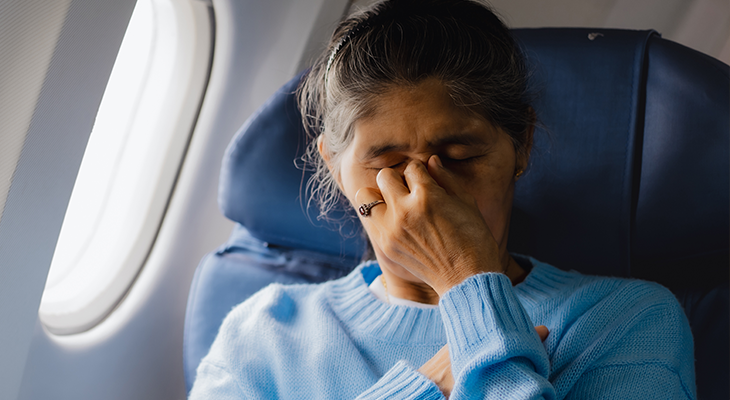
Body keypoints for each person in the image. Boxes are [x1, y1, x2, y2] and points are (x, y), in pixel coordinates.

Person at [188, 0, 696, 398]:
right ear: (335, 170)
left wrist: (468, 285)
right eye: (387, 165)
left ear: (521, 146)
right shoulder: (264, 333)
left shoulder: (627, 319)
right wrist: (425, 388)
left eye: (457, 155)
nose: (423, 196)